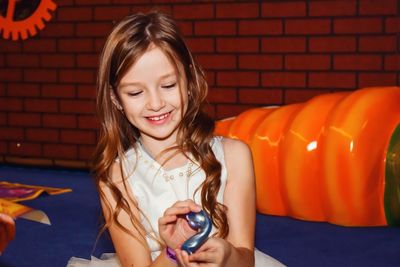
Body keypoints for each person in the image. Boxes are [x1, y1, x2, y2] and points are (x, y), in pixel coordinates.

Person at [68, 11, 285, 267]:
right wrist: (173, 251)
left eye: (168, 85)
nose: (156, 103)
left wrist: (226, 255)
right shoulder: (117, 178)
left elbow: (244, 259)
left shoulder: (234, 156)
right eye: (136, 92)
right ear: (115, 98)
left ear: (189, 80)